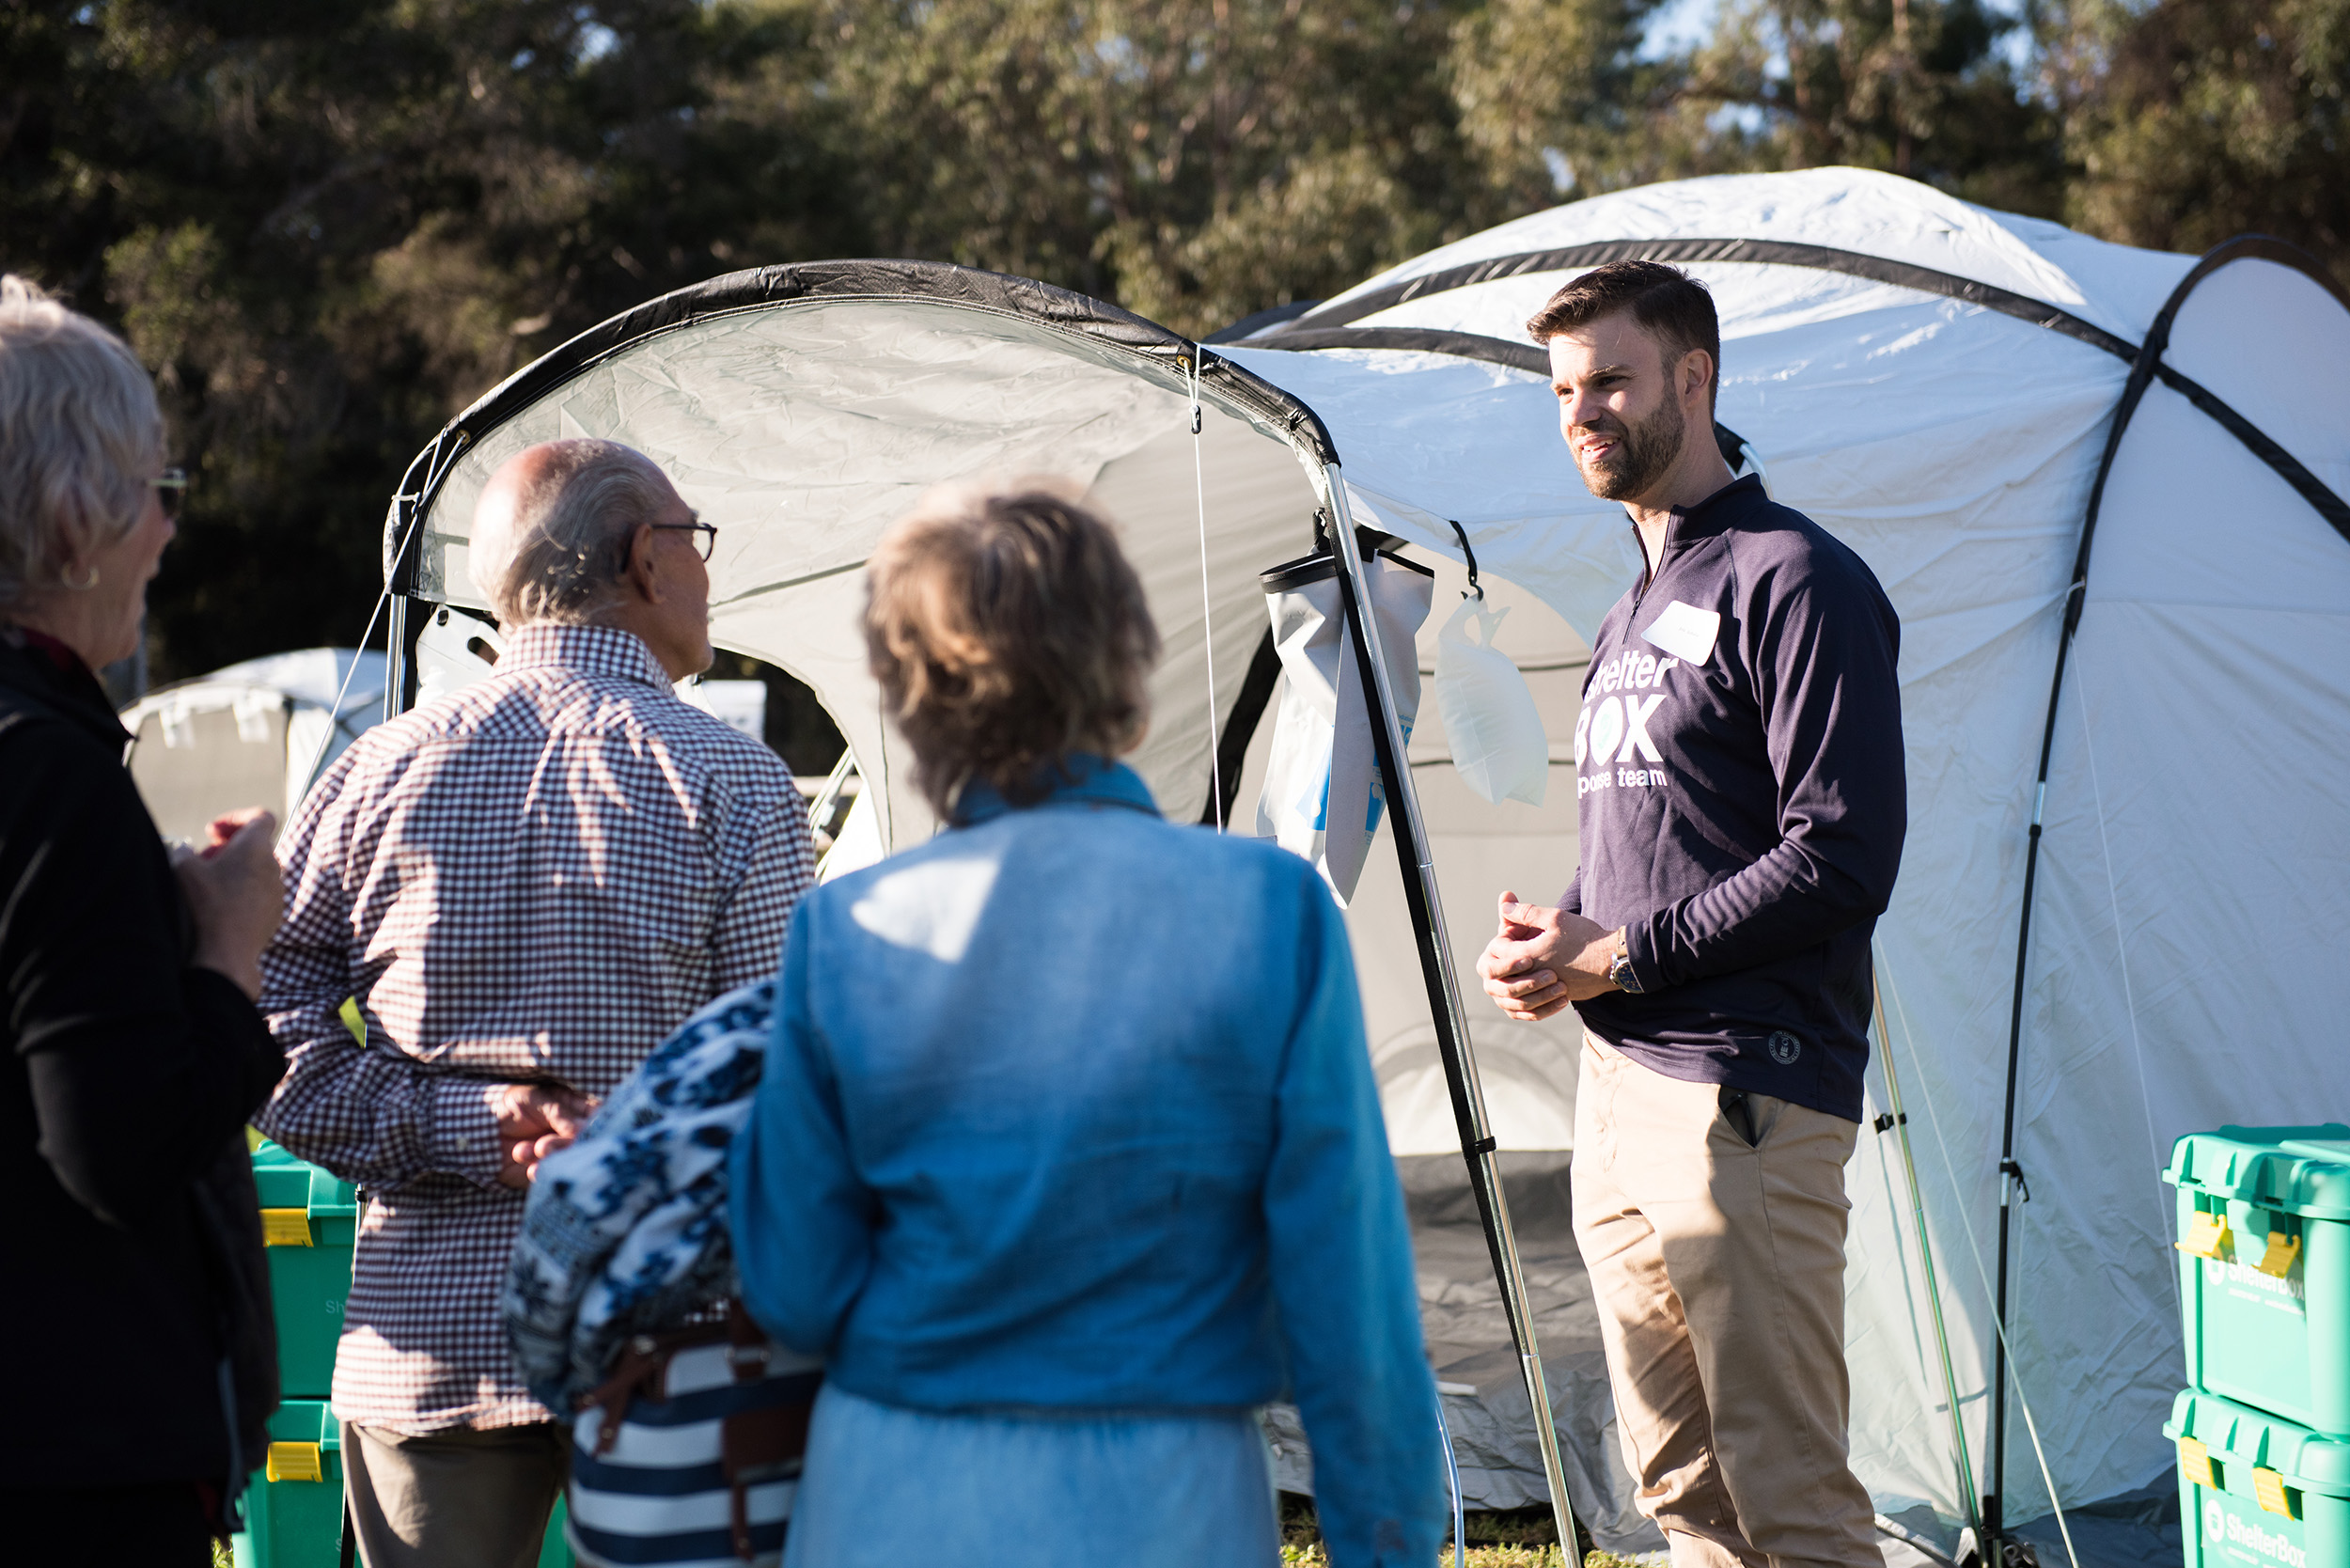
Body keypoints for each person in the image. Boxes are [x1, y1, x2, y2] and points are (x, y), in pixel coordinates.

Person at [728, 482, 1444, 1568]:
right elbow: (1349, 1297)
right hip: (1163, 1496)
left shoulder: (846, 927)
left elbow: (793, 1281)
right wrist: (1383, 1541)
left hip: (896, 1487)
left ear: (911, 690)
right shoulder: (1267, 910)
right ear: (1124, 658)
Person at [257, 438, 816, 1568]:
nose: (708, 571)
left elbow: (263, 1035)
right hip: (677, 1348)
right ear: (645, 561)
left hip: (428, 1346)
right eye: (694, 540)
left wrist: (471, 1127)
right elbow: (789, 1080)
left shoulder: (374, 772)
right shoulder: (733, 781)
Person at [1476, 261, 1905, 1568]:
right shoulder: (1633, 605)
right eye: (1563, 390)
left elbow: (1841, 854)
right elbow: (1653, 842)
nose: (1582, 412)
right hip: (1621, 1091)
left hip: (1747, 1099)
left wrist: (1622, 954)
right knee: (1682, 1494)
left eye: (1609, 378)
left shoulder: (1798, 578)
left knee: (1791, 1499)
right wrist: (1563, 938)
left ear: (1694, 378)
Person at [0, 275, 289, 1562]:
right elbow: (117, 1151)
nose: (169, 538)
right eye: (157, 495)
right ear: (75, 518)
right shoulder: (47, 764)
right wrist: (227, 947)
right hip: (68, 1463)